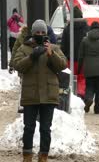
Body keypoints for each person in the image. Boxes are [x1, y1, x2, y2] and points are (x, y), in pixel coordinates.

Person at [12, 19, 67, 162]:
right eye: (37, 32)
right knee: (29, 127)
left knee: (45, 128)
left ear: (47, 33)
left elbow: (62, 65)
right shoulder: (24, 48)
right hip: (31, 95)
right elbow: (17, 65)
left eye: (43, 32)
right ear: (32, 33)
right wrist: (32, 56)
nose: (40, 34)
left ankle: (43, 156)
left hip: (49, 95)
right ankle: (27, 156)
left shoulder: (53, 48)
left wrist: (51, 54)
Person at [61, 6, 89, 99]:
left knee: (70, 79)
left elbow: (63, 46)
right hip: (84, 60)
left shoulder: (67, 29)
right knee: (82, 78)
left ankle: (72, 96)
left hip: (70, 60)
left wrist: (64, 56)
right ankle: (81, 94)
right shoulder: (87, 29)